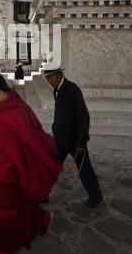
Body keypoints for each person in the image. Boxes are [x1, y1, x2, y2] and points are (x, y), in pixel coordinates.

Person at [0, 72, 62, 254]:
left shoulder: (14, 114)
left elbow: (22, 139)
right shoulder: (14, 103)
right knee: (22, 204)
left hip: (11, 172)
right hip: (14, 167)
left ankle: (6, 247)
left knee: (3, 211)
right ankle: (41, 221)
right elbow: (13, 135)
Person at [43, 63, 103, 208]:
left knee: (85, 169)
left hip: (76, 141)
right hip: (60, 140)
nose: (49, 82)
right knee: (51, 167)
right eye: (47, 78)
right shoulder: (56, 89)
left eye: (50, 78)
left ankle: (96, 196)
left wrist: (81, 141)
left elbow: (84, 117)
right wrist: (55, 127)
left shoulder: (72, 89)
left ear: (58, 76)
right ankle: (42, 193)